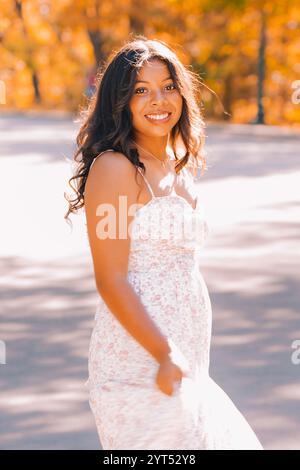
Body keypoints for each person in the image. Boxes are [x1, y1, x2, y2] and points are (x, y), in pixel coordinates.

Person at [64, 36, 264, 450]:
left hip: (188, 357)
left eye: (168, 86)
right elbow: (111, 278)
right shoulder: (115, 169)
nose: (159, 100)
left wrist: (179, 353)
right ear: (120, 101)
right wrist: (164, 351)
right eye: (141, 90)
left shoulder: (177, 167)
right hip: (141, 358)